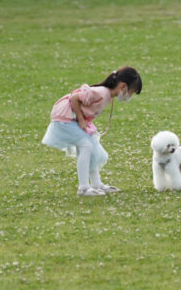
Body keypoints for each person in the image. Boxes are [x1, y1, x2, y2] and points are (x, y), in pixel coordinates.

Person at [42, 67, 143, 196]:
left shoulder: (108, 96)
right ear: (123, 86)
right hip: (64, 118)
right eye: (132, 92)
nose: (130, 96)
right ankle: (83, 187)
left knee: (92, 148)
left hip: (71, 118)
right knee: (86, 145)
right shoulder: (101, 92)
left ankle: (96, 184)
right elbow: (75, 98)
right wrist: (80, 119)